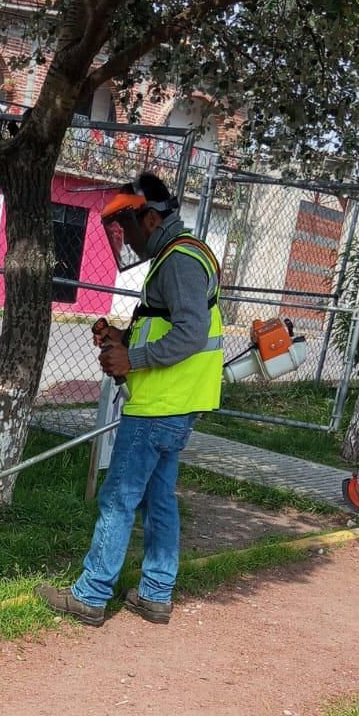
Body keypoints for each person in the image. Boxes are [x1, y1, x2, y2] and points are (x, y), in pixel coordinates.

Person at [36, 173, 223, 628]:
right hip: (176, 404)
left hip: (158, 406)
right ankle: (155, 593)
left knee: (119, 498)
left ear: (151, 218)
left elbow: (190, 333)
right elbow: (166, 323)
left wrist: (131, 358)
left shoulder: (179, 260)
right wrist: (122, 337)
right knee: (159, 498)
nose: (126, 239)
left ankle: (91, 594)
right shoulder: (183, 255)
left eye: (127, 227)